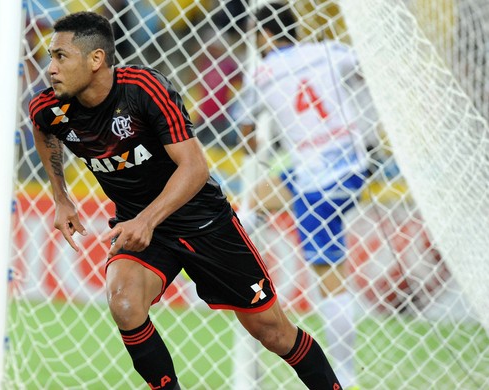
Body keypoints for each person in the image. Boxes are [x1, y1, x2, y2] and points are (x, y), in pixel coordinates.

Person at [29, 11, 342, 390]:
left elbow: (194, 168)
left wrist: (146, 220)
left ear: (96, 59)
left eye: (61, 56)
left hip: (203, 221)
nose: (50, 68)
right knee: (124, 303)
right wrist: (61, 198)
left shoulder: (143, 89)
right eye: (51, 56)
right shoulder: (49, 108)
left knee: (273, 332)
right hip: (142, 226)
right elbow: (44, 133)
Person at [235, 3, 377, 388]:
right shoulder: (330, 51)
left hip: (320, 183)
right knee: (256, 200)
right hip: (351, 164)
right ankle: (236, 267)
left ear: (262, 36)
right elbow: (367, 70)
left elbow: (243, 126)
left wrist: (253, 137)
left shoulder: (262, 72)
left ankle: (345, 375)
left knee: (328, 275)